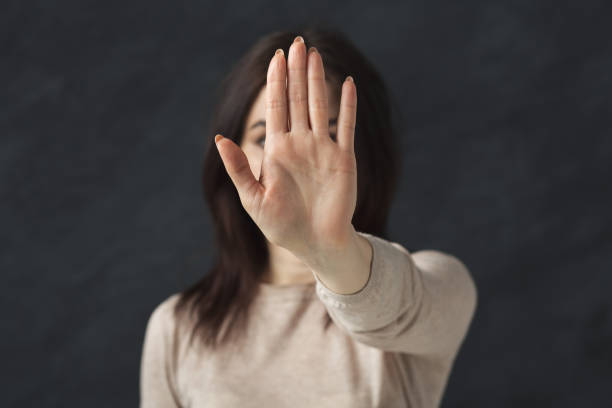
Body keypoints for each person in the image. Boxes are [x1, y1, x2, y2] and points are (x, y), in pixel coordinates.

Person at [139, 27, 478, 408]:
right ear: (231, 158)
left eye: (326, 135)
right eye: (264, 138)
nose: (289, 159)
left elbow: (392, 306)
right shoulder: (178, 328)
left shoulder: (438, 289)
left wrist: (329, 249)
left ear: (366, 156)